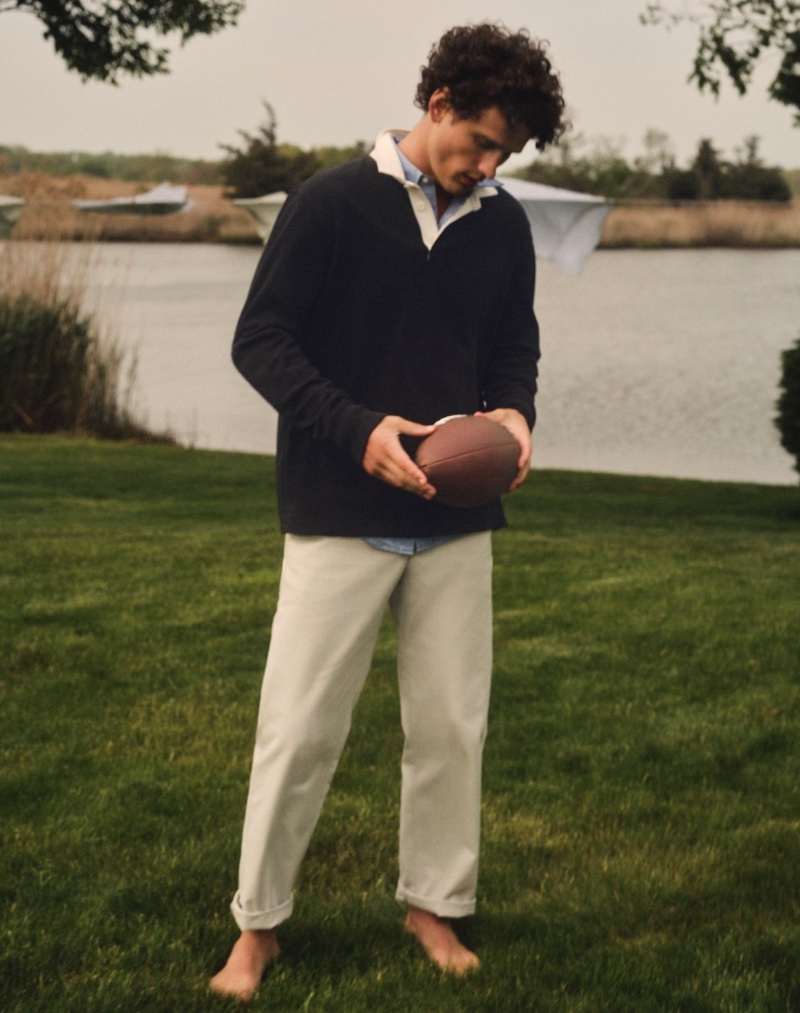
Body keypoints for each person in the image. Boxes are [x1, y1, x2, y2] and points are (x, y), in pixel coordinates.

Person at [210, 22, 565, 1001]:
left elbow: (511, 350)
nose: (487, 165)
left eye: (504, 154)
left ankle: (432, 905)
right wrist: (358, 427)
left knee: (451, 723)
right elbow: (263, 342)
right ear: (438, 102)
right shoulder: (327, 204)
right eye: (479, 142)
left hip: (456, 517)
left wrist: (512, 416)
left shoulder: (499, 225)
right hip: (335, 504)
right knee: (298, 729)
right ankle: (257, 926)